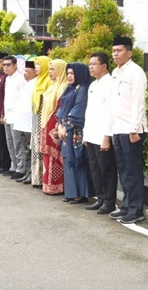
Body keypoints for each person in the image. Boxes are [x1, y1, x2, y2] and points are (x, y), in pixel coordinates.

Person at [108, 37, 148, 224]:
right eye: (114, 51)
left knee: (133, 171)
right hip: (118, 129)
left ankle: (136, 209)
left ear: (129, 53)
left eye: (119, 50)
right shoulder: (115, 73)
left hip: (132, 130)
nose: (115, 54)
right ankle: (126, 206)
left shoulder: (136, 72)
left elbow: (138, 103)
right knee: (123, 172)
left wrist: (134, 129)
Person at [84, 52, 118, 214]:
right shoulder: (93, 85)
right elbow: (89, 112)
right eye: (89, 64)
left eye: (94, 64)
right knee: (95, 169)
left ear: (104, 66)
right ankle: (101, 198)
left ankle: (110, 201)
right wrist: (85, 134)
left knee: (107, 170)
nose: (90, 67)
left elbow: (111, 112)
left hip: (102, 136)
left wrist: (107, 136)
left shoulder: (110, 84)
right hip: (91, 134)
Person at [57, 62, 91, 203]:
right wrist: (60, 125)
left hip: (75, 129)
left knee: (77, 159)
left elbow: (79, 109)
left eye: (72, 73)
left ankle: (80, 193)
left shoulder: (82, 88)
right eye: (68, 73)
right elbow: (61, 109)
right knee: (67, 159)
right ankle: (71, 192)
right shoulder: (69, 88)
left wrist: (67, 126)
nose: (69, 76)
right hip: (65, 129)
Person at [40, 59, 68, 195]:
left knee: (56, 156)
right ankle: (48, 184)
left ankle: (58, 186)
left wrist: (57, 126)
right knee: (48, 156)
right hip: (47, 124)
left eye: (53, 70)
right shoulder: (52, 86)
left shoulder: (63, 86)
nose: (50, 72)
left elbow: (61, 108)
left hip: (56, 126)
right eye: (49, 69)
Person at [13, 59, 38, 184]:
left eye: (27, 71)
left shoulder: (36, 84)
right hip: (21, 123)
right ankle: (26, 173)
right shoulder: (27, 83)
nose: (25, 73)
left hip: (29, 124)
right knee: (25, 150)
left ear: (35, 72)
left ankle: (31, 174)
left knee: (30, 151)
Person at [3, 55, 27, 179]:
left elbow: (22, 99)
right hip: (8, 115)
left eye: (8, 65)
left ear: (15, 65)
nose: (5, 67)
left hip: (17, 116)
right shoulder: (8, 79)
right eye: (4, 65)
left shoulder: (20, 79)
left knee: (18, 143)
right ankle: (14, 166)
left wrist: (19, 115)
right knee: (10, 143)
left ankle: (21, 168)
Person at [30, 56, 52, 188]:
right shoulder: (38, 81)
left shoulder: (48, 82)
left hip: (42, 121)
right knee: (35, 148)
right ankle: (36, 178)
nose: (36, 67)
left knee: (41, 148)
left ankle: (42, 179)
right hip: (35, 119)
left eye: (38, 65)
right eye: (35, 65)